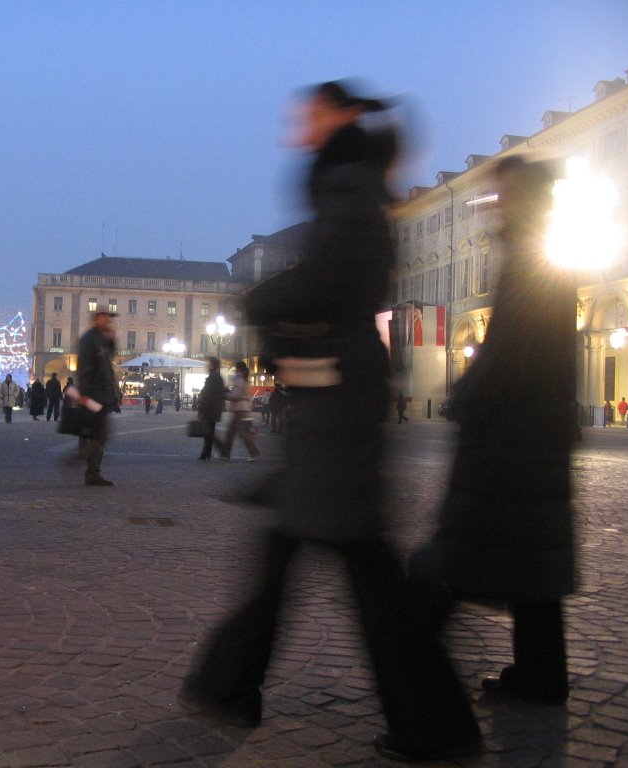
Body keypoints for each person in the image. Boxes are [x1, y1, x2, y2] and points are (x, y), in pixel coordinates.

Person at [181, 80, 479, 762]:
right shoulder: (352, 182)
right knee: (311, 559)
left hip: (338, 400)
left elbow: (331, 276)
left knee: (358, 576)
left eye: (311, 113)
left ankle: (432, 724)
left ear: (341, 116)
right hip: (336, 401)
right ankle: (233, 685)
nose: (300, 125)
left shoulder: (345, 184)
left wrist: (259, 301)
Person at [410, 157, 578, 717]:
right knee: (534, 563)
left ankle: (424, 705)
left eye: (502, 193)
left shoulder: (530, 259)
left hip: (512, 440)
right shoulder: (542, 253)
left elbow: (511, 354)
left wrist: (466, 396)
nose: (495, 203)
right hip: (536, 437)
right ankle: (541, 674)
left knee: (455, 560)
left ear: (522, 198)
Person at [76, 311, 120, 486]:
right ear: (96, 319)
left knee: (98, 432)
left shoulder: (101, 338)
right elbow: (85, 367)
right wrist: (84, 395)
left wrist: (111, 338)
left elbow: (110, 357)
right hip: (94, 394)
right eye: (105, 318)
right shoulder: (89, 339)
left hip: (102, 394)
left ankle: (89, 463)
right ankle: (91, 470)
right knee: (100, 432)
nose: (108, 321)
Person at [218, 361, 260, 461]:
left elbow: (236, 395)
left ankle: (254, 452)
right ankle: (225, 454)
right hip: (241, 408)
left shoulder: (239, 380)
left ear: (239, 369)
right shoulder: (243, 379)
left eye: (236, 369)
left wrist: (225, 394)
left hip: (239, 409)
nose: (235, 371)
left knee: (240, 432)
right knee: (232, 432)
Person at [196, 357, 225, 460]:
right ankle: (206, 453)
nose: (207, 366)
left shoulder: (212, 378)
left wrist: (201, 410)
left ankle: (219, 449)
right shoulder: (218, 377)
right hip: (214, 409)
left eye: (208, 364)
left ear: (212, 365)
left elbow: (207, 395)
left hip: (210, 409)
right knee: (209, 432)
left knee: (208, 432)